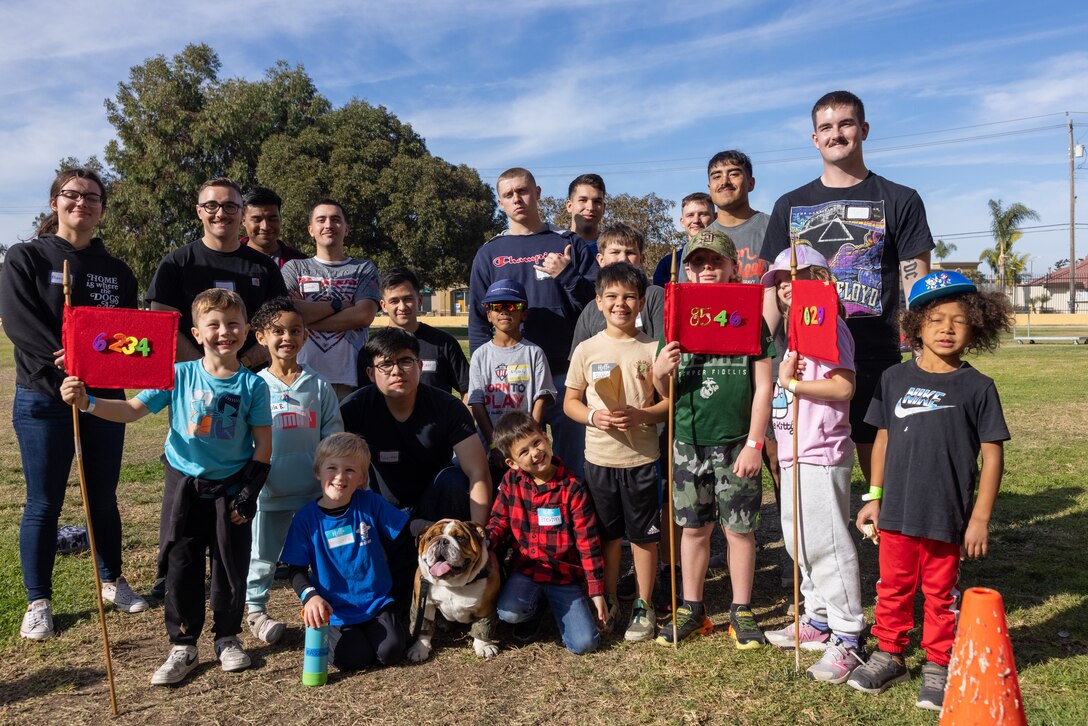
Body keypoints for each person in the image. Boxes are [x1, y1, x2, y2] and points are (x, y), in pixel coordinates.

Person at [60, 288, 272, 686]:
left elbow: (263, 445)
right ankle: (183, 643)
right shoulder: (175, 374)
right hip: (185, 485)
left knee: (229, 564)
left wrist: (250, 490)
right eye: (214, 325)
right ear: (195, 331)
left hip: (231, 488)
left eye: (232, 324)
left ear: (246, 330)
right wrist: (87, 402)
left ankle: (227, 637)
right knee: (182, 563)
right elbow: (129, 411)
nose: (224, 332)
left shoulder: (253, 386)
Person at [848, 271, 1012, 711]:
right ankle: (889, 653)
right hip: (896, 510)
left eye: (959, 320)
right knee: (893, 587)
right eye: (936, 319)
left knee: (941, 593)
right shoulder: (893, 379)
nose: (946, 328)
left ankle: (940, 663)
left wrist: (979, 519)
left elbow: (993, 457)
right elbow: (880, 439)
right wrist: (874, 496)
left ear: (976, 326)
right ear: (915, 325)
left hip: (946, 514)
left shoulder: (979, 387)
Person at [760, 91, 934, 490]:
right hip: (807, 360)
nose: (836, 134)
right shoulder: (790, 204)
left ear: (864, 130)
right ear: (814, 139)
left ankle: (887, 536)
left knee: (882, 468)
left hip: (876, 350)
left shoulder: (900, 199)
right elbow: (772, 289)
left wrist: (923, 349)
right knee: (810, 469)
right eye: (826, 127)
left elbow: (917, 283)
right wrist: (761, 349)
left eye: (845, 124)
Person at [1, 168, 147, 641]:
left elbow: (126, 334)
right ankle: (38, 600)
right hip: (43, 396)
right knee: (44, 501)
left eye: (92, 197)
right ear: (54, 202)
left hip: (102, 399)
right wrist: (63, 362)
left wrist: (108, 358)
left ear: (102, 209)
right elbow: (19, 322)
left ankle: (111, 580)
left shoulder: (117, 271)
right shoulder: (25, 257)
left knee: (102, 497)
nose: (81, 203)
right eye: (72, 195)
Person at [651, 229, 775, 648]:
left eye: (715, 261)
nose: (707, 268)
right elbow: (662, 391)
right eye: (698, 262)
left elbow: (764, 386)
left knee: (739, 530)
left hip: (737, 440)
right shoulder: (675, 312)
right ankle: (693, 608)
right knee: (694, 529)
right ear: (687, 268)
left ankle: (741, 609)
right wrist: (659, 370)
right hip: (689, 440)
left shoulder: (749, 313)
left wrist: (755, 443)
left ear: (732, 267)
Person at [759, 247, 866, 683]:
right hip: (793, 452)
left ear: (820, 280)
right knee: (798, 542)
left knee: (827, 545)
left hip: (821, 451)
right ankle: (818, 619)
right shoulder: (793, 330)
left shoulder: (829, 324)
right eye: (780, 279)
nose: (786, 284)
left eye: (797, 276)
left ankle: (848, 635)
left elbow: (843, 386)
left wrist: (793, 383)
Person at [339, 327, 491, 604]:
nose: (396, 370)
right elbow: (341, 477)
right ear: (371, 373)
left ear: (419, 366)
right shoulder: (354, 409)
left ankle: (454, 563)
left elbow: (477, 472)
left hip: (434, 511)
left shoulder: (447, 407)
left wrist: (478, 534)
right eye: (385, 364)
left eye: (405, 361)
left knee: (455, 479)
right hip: (381, 512)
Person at [469, 167, 598, 476]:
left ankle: (572, 519)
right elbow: (477, 318)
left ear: (537, 193)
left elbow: (597, 306)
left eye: (523, 191)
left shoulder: (566, 243)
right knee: (518, 462)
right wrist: (476, 377)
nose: (517, 199)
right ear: (500, 202)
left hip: (566, 373)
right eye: (508, 195)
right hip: (510, 379)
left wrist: (567, 274)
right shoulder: (490, 253)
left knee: (571, 465)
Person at [564, 262, 667, 642]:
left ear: (641, 302)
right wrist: (594, 416)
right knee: (607, 535)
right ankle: (606, 598)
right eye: (611, 296)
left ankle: (643, 603)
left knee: (644, 535)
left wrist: (642, 413)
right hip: (599, 461)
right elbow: (570, 401)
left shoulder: (653, 348)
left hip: (642, 460)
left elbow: (669, 402)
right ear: (598, 302)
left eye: (629, 297)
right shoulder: (587, 349)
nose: (620, 303)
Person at [244, 297, 343, 644]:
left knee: (320, 555)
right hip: (268, 492)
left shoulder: (318, 386)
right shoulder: (254, 386)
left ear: (305, 337)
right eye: (278, 331)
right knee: (263, 555)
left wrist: (331, 481)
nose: (287, 337)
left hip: (311, 494)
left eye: (296, 331)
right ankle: (255, 611)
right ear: (260, 337)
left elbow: (333, 437)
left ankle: (332, 610)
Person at [281, 433, 408, 672]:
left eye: (350, 470)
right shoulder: (306, 519)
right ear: (318, 471)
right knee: (354, 658)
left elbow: (404, 532)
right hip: (334, 609)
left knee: (390, 651)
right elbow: (295, 570)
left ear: (361, 478)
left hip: (375, 602)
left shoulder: (370, 503)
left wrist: (426, 526)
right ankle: (336, 635)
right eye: (332, 468)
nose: (340, 477)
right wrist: (311, 597)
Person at [486, 411, 608, 654]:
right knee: (508, 612)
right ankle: (536, 606)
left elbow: (588, 543)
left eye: (537, 442)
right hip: (527, 571)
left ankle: (562, 603)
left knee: (585, 644)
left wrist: (597, 592)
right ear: (511, 462)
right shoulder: (511, 482)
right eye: (523, 452)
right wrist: (484, 540)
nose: (535, 453)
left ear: (546, 436)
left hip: (563, 576)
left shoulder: (573, 488)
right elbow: (499, 520)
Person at [146, 177, 288, 368]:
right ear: (199, 211)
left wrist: (241, 367)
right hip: (191, 382)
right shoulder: (175, 263)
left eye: (230, 206)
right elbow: (161, 327)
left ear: (242, 212)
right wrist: (205, 371)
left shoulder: (264, 267)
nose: (220, 213)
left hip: (250, 382)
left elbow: (280, 325)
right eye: (211, 206)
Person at [281, 199, 380, 400]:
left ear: (346, 228)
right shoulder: (294, 268)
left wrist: (307, 319)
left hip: (350, 381)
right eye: (321, 220)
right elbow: (287, 313)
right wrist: (339, 305)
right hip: (302, 377)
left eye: (335, 220)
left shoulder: (363, 269)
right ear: (311, 229)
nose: (328, 225)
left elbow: (363, 315)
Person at [468, 279, 556, 477]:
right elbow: (477, 403)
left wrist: (528, 440)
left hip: (526, 450)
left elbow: (541, 398)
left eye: (512, 305)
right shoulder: (481, 355)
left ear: (523, 313)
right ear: (489, 314)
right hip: (490, 449)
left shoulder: (534, 353)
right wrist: (494, 445)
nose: (504, 311)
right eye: (497, 306)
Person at [367, 267, 469, 397]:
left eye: (408, 299)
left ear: (419, 300)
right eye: (394, 301)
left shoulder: (444, 343)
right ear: (383, 305)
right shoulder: (372, 348)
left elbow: (467, 390)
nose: (402, 307)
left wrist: (465, 416)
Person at [570, 223, 665, 350]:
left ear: (642, 259)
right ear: (601, 259)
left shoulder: (655, 296)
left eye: (630, 252)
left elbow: (663, 352)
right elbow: (580, 360)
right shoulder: (591, 309)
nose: (623, 258)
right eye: (615, 252)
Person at [652, 192, 715, 287]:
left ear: (715, 218)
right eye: (690, 215)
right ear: (682, 222)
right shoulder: (667, 264)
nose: (696, 221)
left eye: (703, 214)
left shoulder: (727, 258)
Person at [240, 186, 307, 268]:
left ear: (280, 219)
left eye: (272, 219)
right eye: (257, 220)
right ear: (243, 220)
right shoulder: (229, 259)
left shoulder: (300, 263)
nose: (265, 227)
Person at [566, 173, 607, 256]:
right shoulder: (554, 247)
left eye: (597, 202)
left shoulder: (612, 251)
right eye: (583, 200)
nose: (590, 207)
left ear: (604, 208)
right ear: (569, 206)